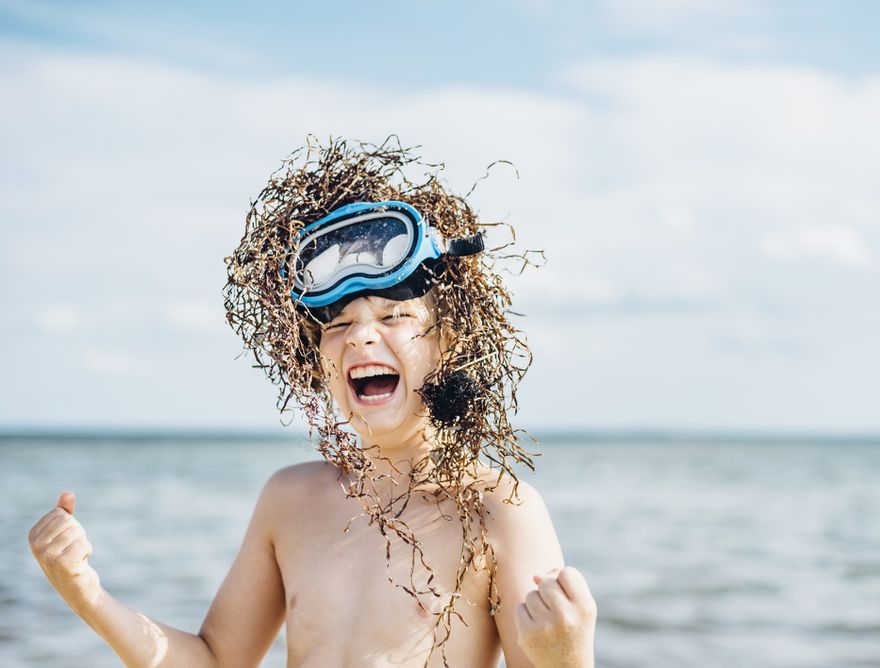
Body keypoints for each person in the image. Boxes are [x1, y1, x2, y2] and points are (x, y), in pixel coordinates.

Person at [27, 138, 597, 667]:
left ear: (449, 345)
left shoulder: (501, 512)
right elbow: (216, 660)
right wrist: (86, 594)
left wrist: (568, 655)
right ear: (315, 362)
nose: (360, 337)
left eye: (394, 316)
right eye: (339, 323)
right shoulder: (290, 500)